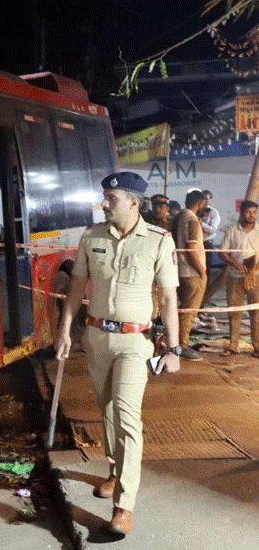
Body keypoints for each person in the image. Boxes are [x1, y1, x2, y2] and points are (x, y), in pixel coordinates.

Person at [56, 171, 181, 537]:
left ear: (133, 202)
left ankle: (123, 507)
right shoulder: (92, 236)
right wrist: (65, 330)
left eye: (111, 198)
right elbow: (77, 285)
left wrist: (174, 348)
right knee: (107, 409)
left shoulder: (159, 240)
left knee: (128, 416)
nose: (104, 203)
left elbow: (170, 297)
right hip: (97, 338)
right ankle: (114, 471)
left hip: (135, 342)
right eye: (104, 197)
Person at [219, 200, 259, 357]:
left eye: (254, 212)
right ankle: (233, 346)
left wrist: (252, 269)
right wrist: (234, 263)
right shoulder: (232, 230)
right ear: (241, 212)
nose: (252, 215)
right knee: (234, 312)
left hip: (256, 278)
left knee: (256, 313)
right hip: (235, 277)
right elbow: (222, 252)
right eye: (248, 212)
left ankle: (257, 347)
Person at [176, 189, 208, 360]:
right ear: (200, 203)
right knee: (189, 312)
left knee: (183, 311)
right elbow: (191, 248)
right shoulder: (192, 220)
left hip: (181, 271)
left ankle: (177, 343)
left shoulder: (179, 218)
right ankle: (182, 346)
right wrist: (201, 270)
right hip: (192, 272)